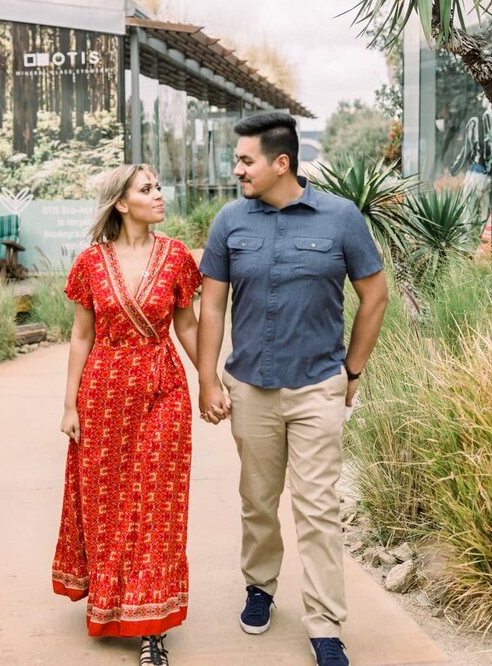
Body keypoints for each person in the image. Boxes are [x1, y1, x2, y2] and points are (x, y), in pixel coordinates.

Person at [195, 112, 388, 666]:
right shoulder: (230, 221)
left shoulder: (341, 218)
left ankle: (326, 623)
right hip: (250, 387)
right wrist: (208, 379)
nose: (237, 170)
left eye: (245, 160)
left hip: (317, 388)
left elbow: (375, 296)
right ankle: (260, 586)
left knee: (319, 508)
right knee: (257, 501)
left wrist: (352, 372)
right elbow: (211, 303)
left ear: (282, 163)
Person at [52, 163, 201, 666]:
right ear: (121, 202)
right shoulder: (92, 262)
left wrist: (212, 380)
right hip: (104, 396)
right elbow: (81, 336)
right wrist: (69, 404)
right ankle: (113, 597)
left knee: (158, 507)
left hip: (163, 390)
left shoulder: (177, 256)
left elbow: (188, 327)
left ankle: (151, 629)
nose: (159, 194)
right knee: (109, 505)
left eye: (159, 186)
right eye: (147, 189)